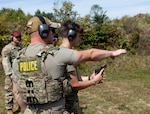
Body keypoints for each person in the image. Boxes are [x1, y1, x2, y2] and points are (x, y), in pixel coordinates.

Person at [12, 15, 126, 114]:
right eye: (52, 30)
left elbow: (16, 92)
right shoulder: (55, 54)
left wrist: (27, 110)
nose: (54, 34)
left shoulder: (18, 58)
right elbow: (90, 54)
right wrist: (113, 53)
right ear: (44, 31)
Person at [1, 31, 22, 114]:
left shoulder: (21, 47)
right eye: (16, 37)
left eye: (19, 37)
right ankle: (9, 109)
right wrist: (10, 74)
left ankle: (20, 106)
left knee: (20, 91)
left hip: (20, 73)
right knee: (9, 91)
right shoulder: (7, 49)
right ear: (12, 37)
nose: (18, 38)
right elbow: (5, 62)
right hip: (11, 74)